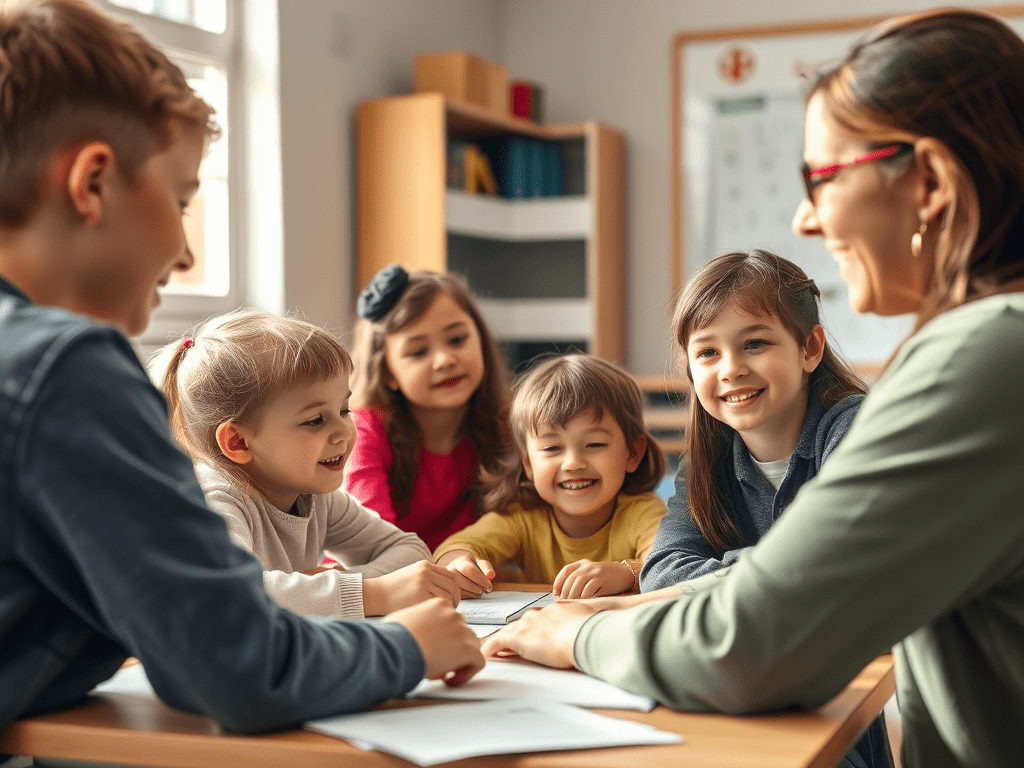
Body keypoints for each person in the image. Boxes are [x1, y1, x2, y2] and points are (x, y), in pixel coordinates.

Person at [482, 8, 1024, 767]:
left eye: (821, 179)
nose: (806, 218)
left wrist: (575, 631)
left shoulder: (988, 354)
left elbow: (760, 640)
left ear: (929, 180)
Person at [0, 0, 481, 734]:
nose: (187, 252)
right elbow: (237, 664)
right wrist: (405, 647)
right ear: (92, 182)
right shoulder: (63, 370)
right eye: (182, 197)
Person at [151, 310, 462, 618]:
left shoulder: (314, 494)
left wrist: (339, 586)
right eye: (315, 420)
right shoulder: (213, 498)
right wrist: (374, 593)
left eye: (343, 410)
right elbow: (233, 594)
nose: (343, 432)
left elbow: (409, 551)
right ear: (238, 442)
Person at [640, 250, 867, 590]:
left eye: (755, 343)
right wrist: (781, 564)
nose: (731, 369)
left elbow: (834, 562)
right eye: (707, 353)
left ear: (810, 349)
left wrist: (722, 572)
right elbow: (662, 576)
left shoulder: (855, 430)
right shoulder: (704, 463)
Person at [435, 353, 668, 599]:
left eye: (595, 444)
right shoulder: (522, 516)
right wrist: (459, 565)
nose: (573, 463)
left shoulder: (643, 513)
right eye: (552, 448)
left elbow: (671, 566)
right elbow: (453, 549)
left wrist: (624, 573)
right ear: (528, 464)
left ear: (632, 453)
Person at [346, 264, 510, 551]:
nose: (444, 360)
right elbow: (369, 540)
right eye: (418, 352)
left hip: (470, 582)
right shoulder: (365, 431)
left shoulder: (507, 422)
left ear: (481, 340)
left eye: (457, 339)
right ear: (387, 373)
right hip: (380, 579)